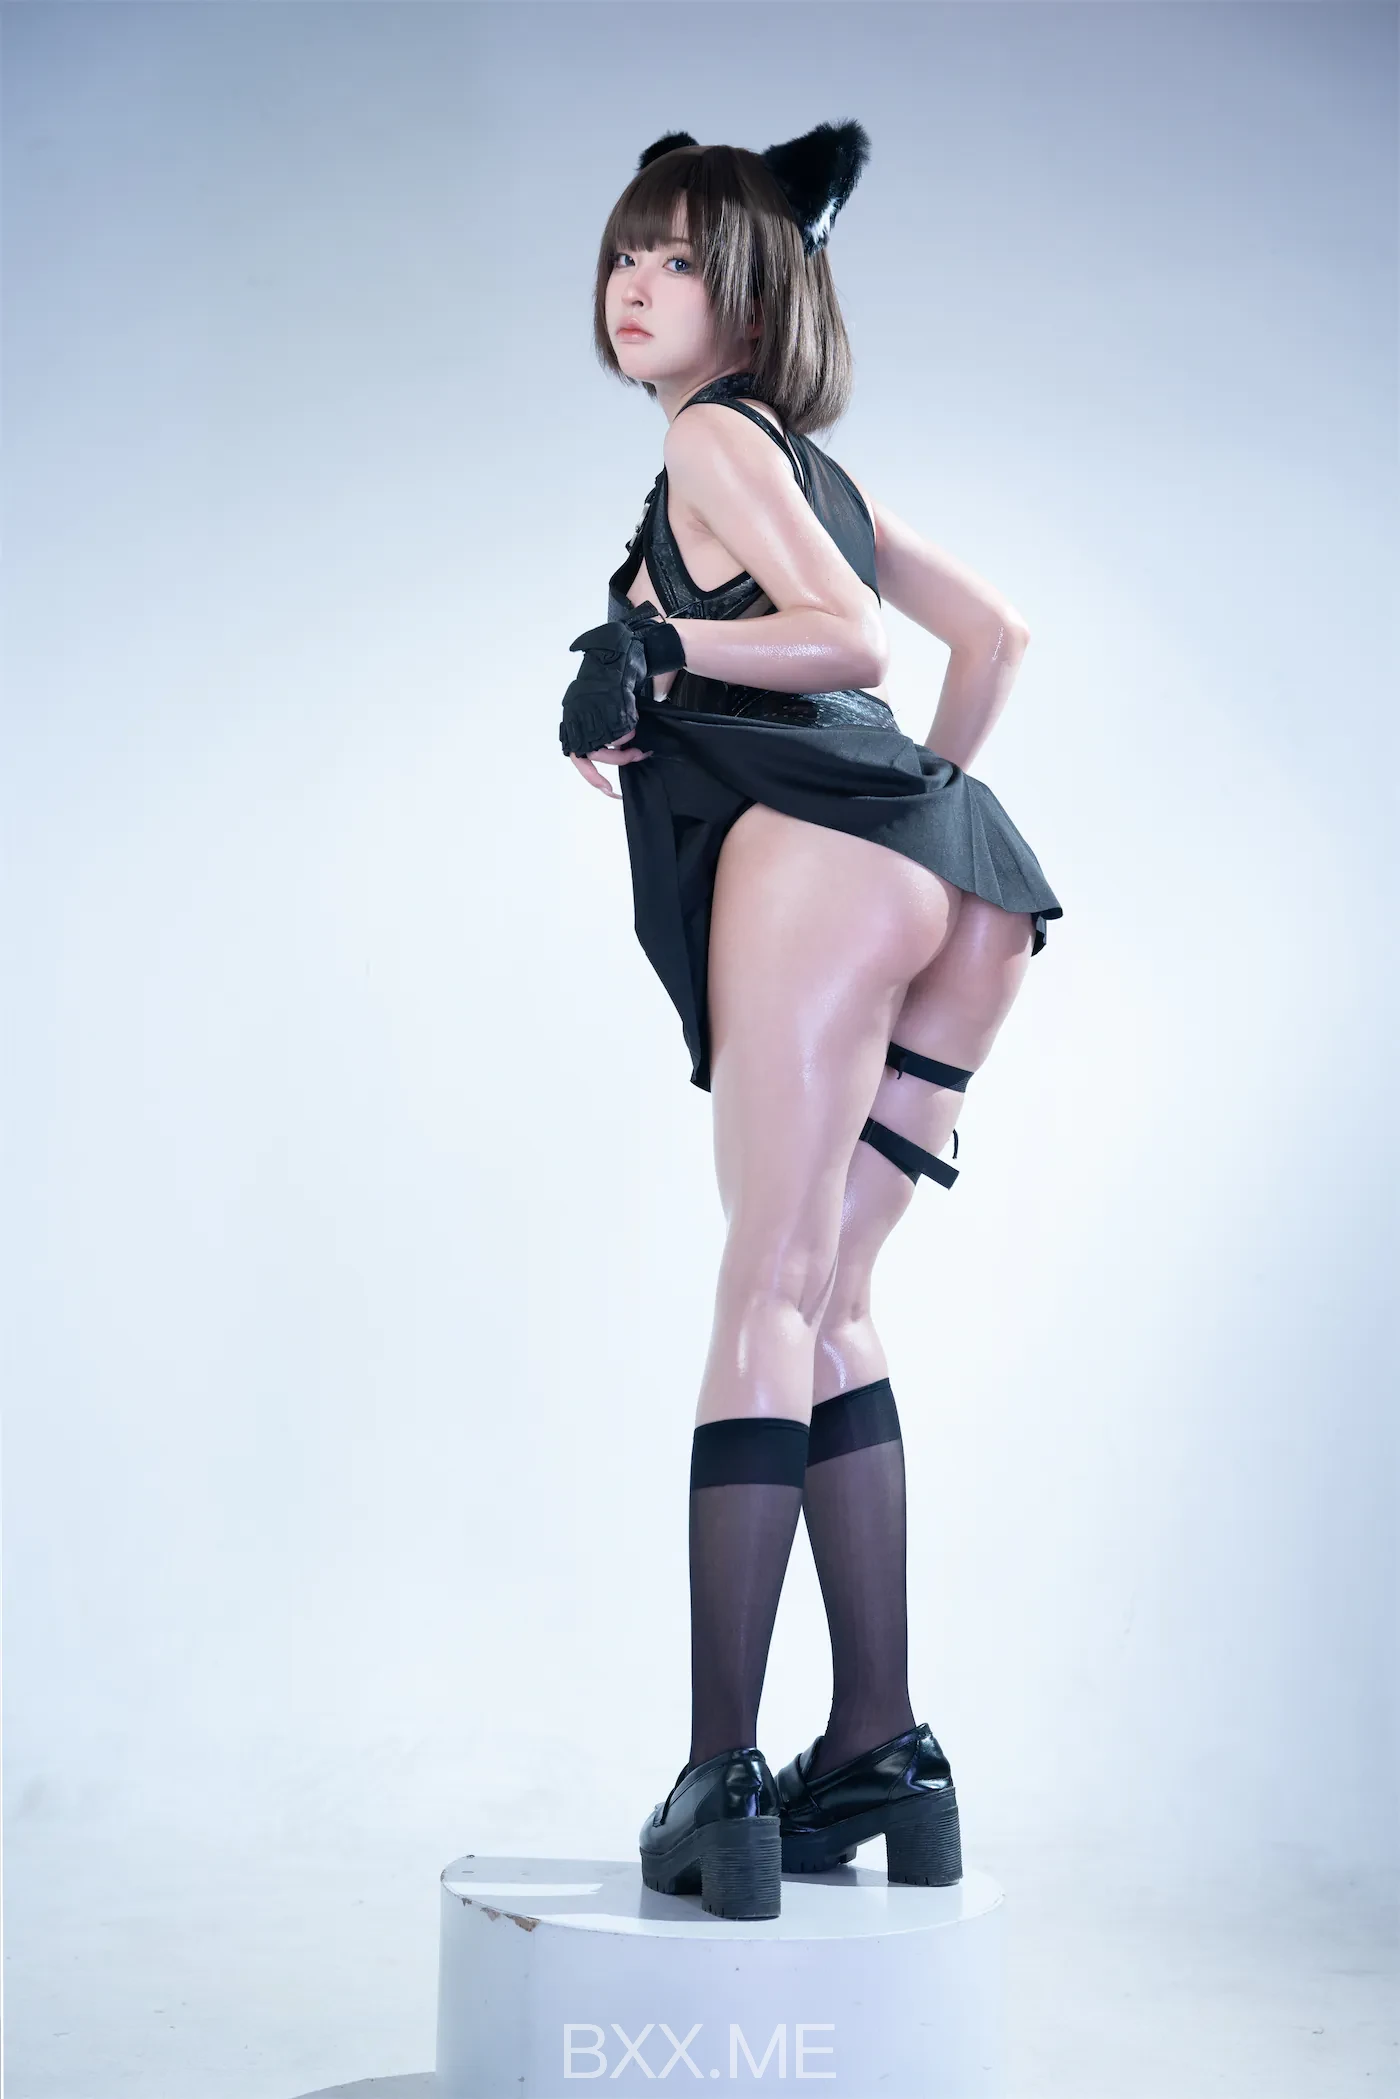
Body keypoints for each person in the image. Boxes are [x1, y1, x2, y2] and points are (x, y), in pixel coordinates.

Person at [557, 123, 1063, 1922]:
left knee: (763, 1297)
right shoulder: (809, 469)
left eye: (683, 259)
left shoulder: (711, 440)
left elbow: (851, 639)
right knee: (832, 1300)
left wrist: (663, 654)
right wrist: (917, 818)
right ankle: (879, 1749)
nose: (637, 284)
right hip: (973, 889)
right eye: (628, 250)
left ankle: (723, 1782)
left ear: (759, 295)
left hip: (830, 858)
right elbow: (995, 636)